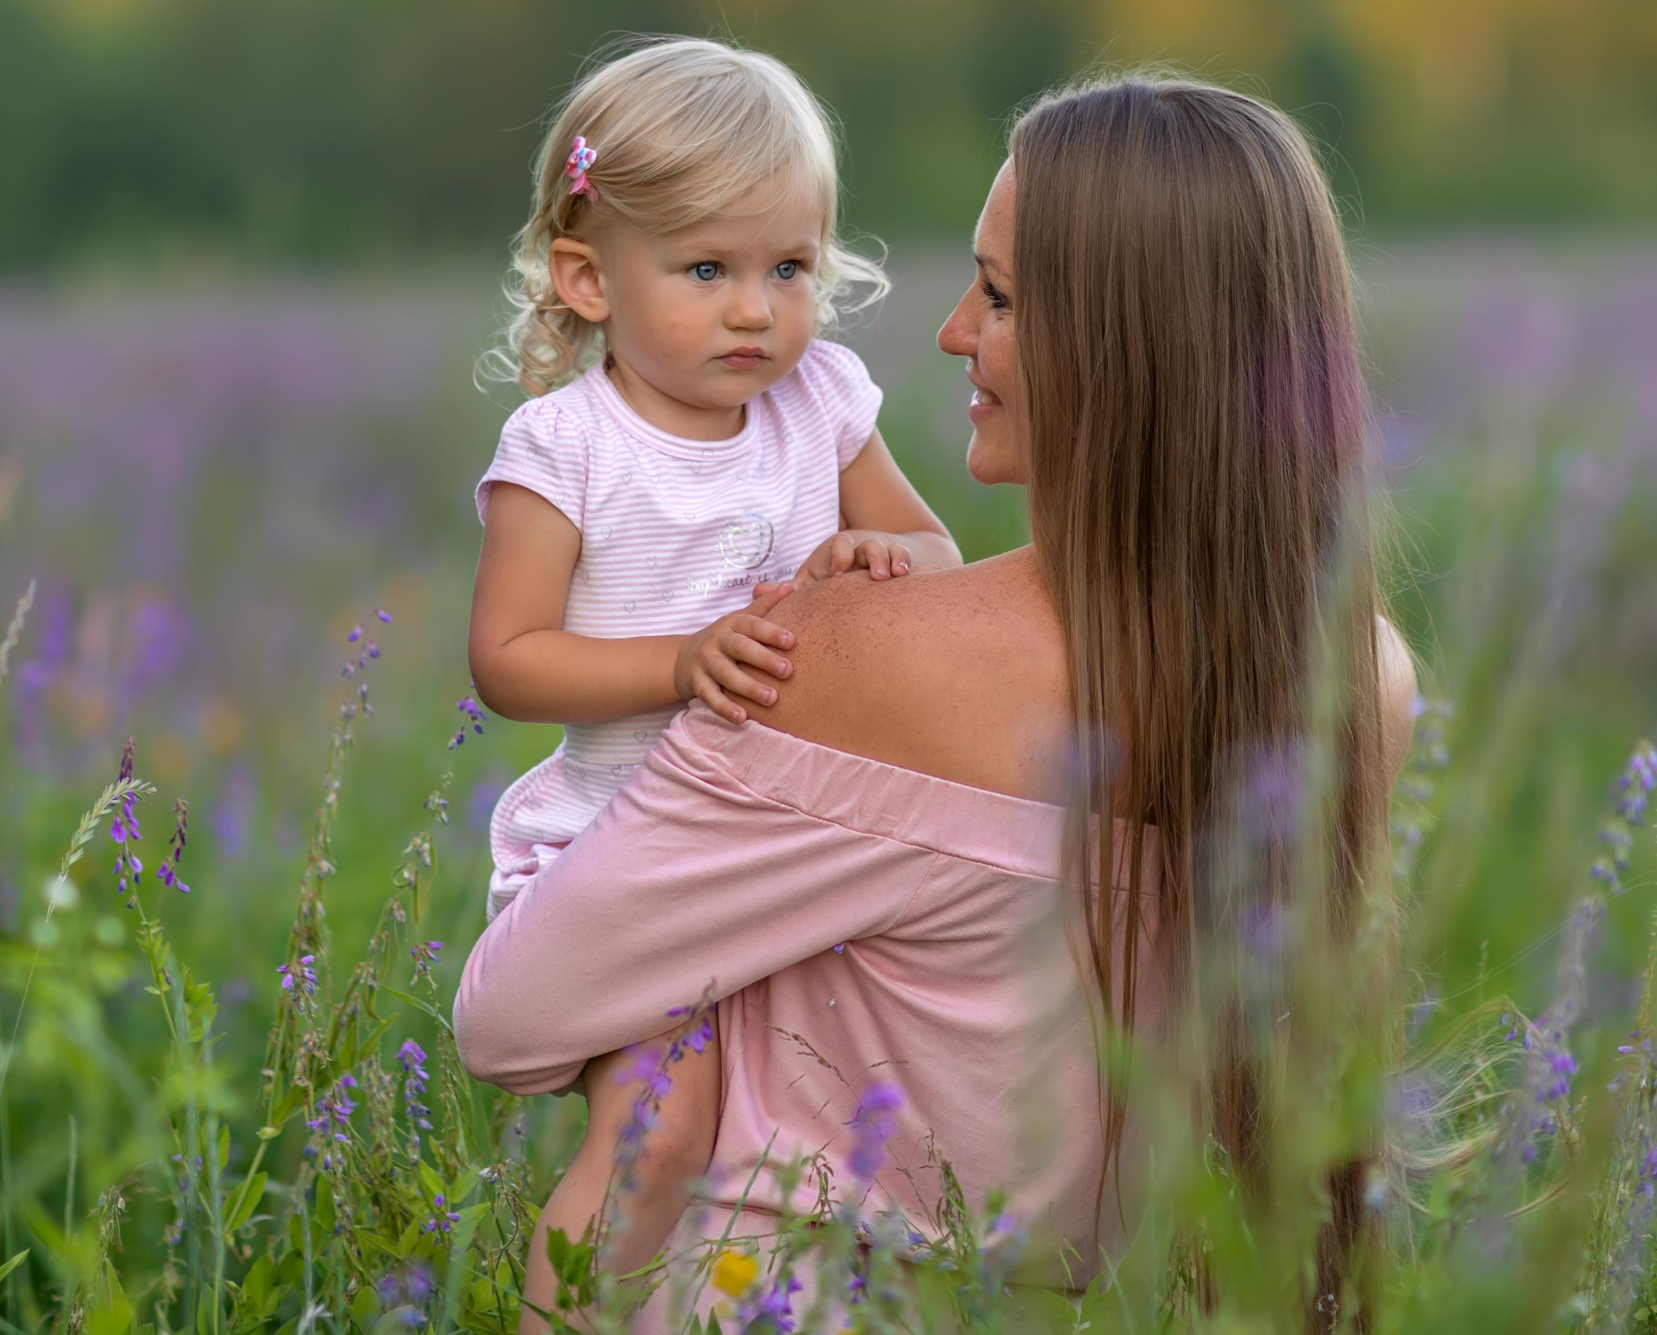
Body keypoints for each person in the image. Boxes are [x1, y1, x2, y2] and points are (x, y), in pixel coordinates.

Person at [457, 74, 1415, 1330]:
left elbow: (508, 1022)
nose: (955, 331)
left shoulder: (848, 663)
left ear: (1127, 343)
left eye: (1003, 296)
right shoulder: (1363, 684)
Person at [465, 36, 961, 1312]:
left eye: (788, 268)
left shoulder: (821, 405)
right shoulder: (566, 447)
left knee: (794, 1153)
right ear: (587, 279)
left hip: (786, 851)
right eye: (707, 270)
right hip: (617, 847)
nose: (757, 309)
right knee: (658, 1137)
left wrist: (875, 552)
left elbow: (934, 548)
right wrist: (683, 664)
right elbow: (510, 661)